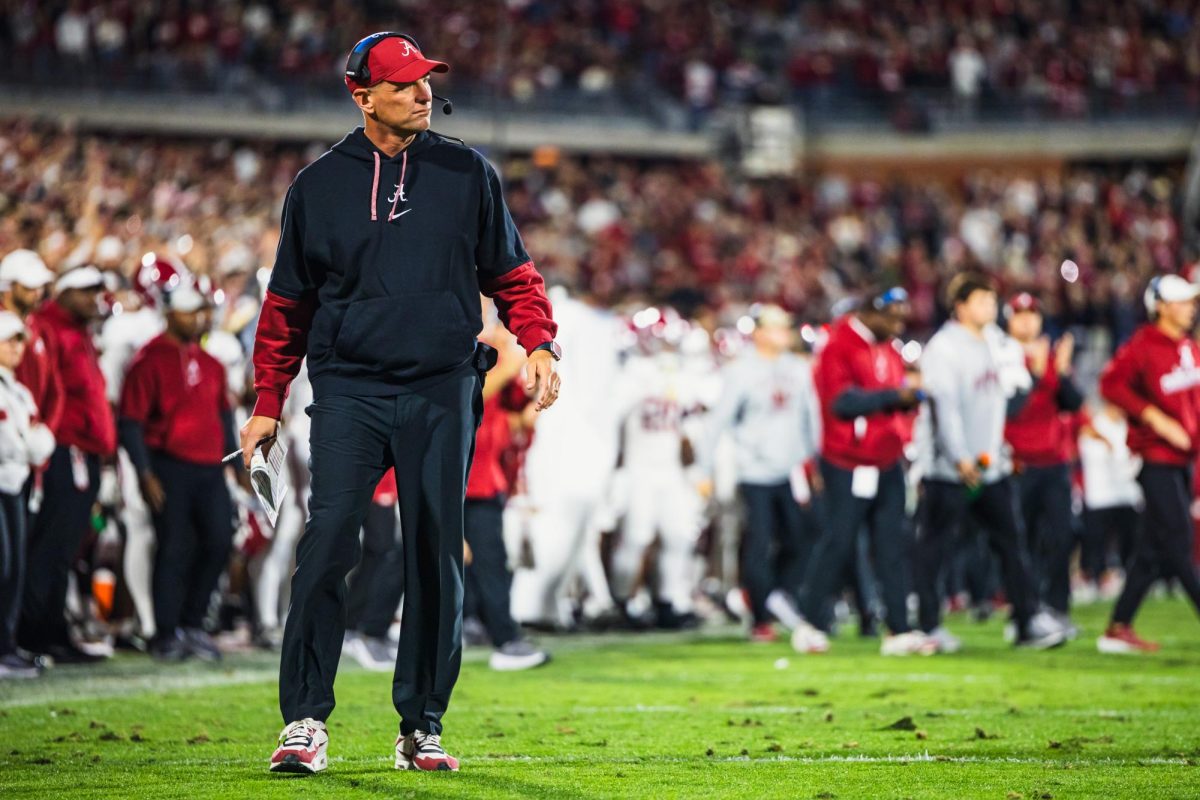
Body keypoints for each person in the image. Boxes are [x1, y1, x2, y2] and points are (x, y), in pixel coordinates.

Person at [244, 32, 560, 775]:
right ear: (362, 95)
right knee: (328, 543)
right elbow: (284, 306)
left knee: (434, 556)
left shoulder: (467, 171)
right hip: (349, 387)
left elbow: (513, 275)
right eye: (404, 83)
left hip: (442, 385)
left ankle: (421, 723)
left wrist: (540, 341)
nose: (423, 93)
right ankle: (304, 720)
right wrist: (267, 400)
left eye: (425, 82)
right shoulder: (316, 187)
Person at [912, 273, 1068, 652]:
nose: (990, 308)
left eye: (991, 300)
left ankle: (1027, 620)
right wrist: (959, 456)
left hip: (990, 466)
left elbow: (1014, 391)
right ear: (960, 305)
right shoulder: (944, 348)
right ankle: (928, 625)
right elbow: (944, 409)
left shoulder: (996, 343)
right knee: (936, 548)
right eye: (981, 301)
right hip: (949, 469)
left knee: (1011, 541)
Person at [796, 288, 931, 656]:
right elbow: (840, 402)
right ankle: (808, 622)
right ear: (871, 313)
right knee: (838, 542)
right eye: (893, 317)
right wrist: (895, 397)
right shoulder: (838, 344)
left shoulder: (887, 346)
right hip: (846, 460)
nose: (898, 325)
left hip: (884, 459)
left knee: (892, 545)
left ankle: (899, 629)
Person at [118, 284, 238, 662]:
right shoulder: (149, 359)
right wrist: (143, 472)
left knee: (220, 540)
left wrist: (236, 462)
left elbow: (224, 417)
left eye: (199, 311)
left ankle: (193, 623)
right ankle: (165, 632)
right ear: (170, 314)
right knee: (173, 547)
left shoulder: (211, 362)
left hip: (209, 468)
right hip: (169, 465)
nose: (197, 318)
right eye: (189, 312)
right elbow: (131, 422)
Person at [697, 304, 821, 643]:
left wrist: (815, 462)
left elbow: (811, 417)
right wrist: (704, 468)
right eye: (778, 327)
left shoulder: (797, 368)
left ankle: (775, 594)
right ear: (759, 332)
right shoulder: (741, 371)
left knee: (801, 538)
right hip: (753, 470)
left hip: (790, 469)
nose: (786, 333)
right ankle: (760, 618)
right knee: (759, 542)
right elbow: (717, 422)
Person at [1096, 274, 1200, 653]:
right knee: (1180, 542)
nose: (1190, 308)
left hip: (1182, 460)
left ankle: (1117, 627)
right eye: (1183, 302)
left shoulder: (1188, 346)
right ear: (1161, 306)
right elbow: (1110, 385)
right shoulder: (1142, 345)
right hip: (1155, 458)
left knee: (1152, 550)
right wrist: (1153, 417)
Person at [18, 266, 115, 664]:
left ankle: (53, 630)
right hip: (62, 451)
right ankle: (32, 634)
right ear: (65, 292)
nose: (96, 299)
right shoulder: (46, 328)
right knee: (50, 547)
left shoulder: (78, 332)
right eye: (88, 291)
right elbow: (47, 391)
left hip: (83, 453)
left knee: (66, 550)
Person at [464, 317, 549, 670]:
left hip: (485, 475)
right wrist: (507, 364)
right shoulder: (457, 347)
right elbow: (465, 395)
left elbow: (517, 408)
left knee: (489, 560)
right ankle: (503, 637)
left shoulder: (493, 353)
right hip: (459, 473)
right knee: (479, 561)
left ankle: (494, 631)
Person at [1003, 292, 1084, 626]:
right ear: (1008, 319)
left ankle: (1057, 608)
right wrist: (1035, 374)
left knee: (1063, 535)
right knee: (1022, 542)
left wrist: (1062, 372)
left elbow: (1073, 403)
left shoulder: (1051, 357)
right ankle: (1025, 610)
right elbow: (1010, 409)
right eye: (1020, 314)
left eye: (1032, 314)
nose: (1027, 320)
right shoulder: (1000, 356)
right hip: (1016, 462)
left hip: (1053, 461)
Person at [0, 312, 56, 679]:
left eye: (21, 341)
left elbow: (39, 443)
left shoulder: (18, 391)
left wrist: (28, 445)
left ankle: (6, 645)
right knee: (3, 565)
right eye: (10, 341)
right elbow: (16, 444)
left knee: (15, 567)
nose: (18, 348)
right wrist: (28, 445)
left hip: (16, 484)